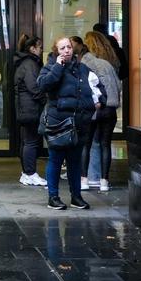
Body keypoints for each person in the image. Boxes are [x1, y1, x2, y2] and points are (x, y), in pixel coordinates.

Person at [37, 36, 103, 211]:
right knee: (55, 160)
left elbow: (98, 88)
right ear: (55, 51)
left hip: (79, 122)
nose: (66, 50)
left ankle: (76, 197)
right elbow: (43, 85)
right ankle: (53, 197)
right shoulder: (51, 67)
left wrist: (96, 103)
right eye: (62, 48)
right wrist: (58, 67)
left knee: (75, 162)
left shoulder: (82, 68)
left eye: (69, 47)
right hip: (58, 122)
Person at [80, 32, 121, 192]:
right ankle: (104, 181)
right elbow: (118, 85)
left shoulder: (86, 63)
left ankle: (85, 180)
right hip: (110, 109)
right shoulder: (108, 63)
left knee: (87, 144)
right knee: (105, 144)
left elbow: (84, 86)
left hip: (94, 108)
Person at [13, 34, 47, 187]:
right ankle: (30, 173)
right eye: (40, 47)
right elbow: (34, 88)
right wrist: (46, 100)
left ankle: (27, 172)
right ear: (32, 48)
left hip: (24, 107)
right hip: (30, 108)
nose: (41, 50)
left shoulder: (24, 62)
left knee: (26, 141)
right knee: (31, 142)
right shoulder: (30, 64)